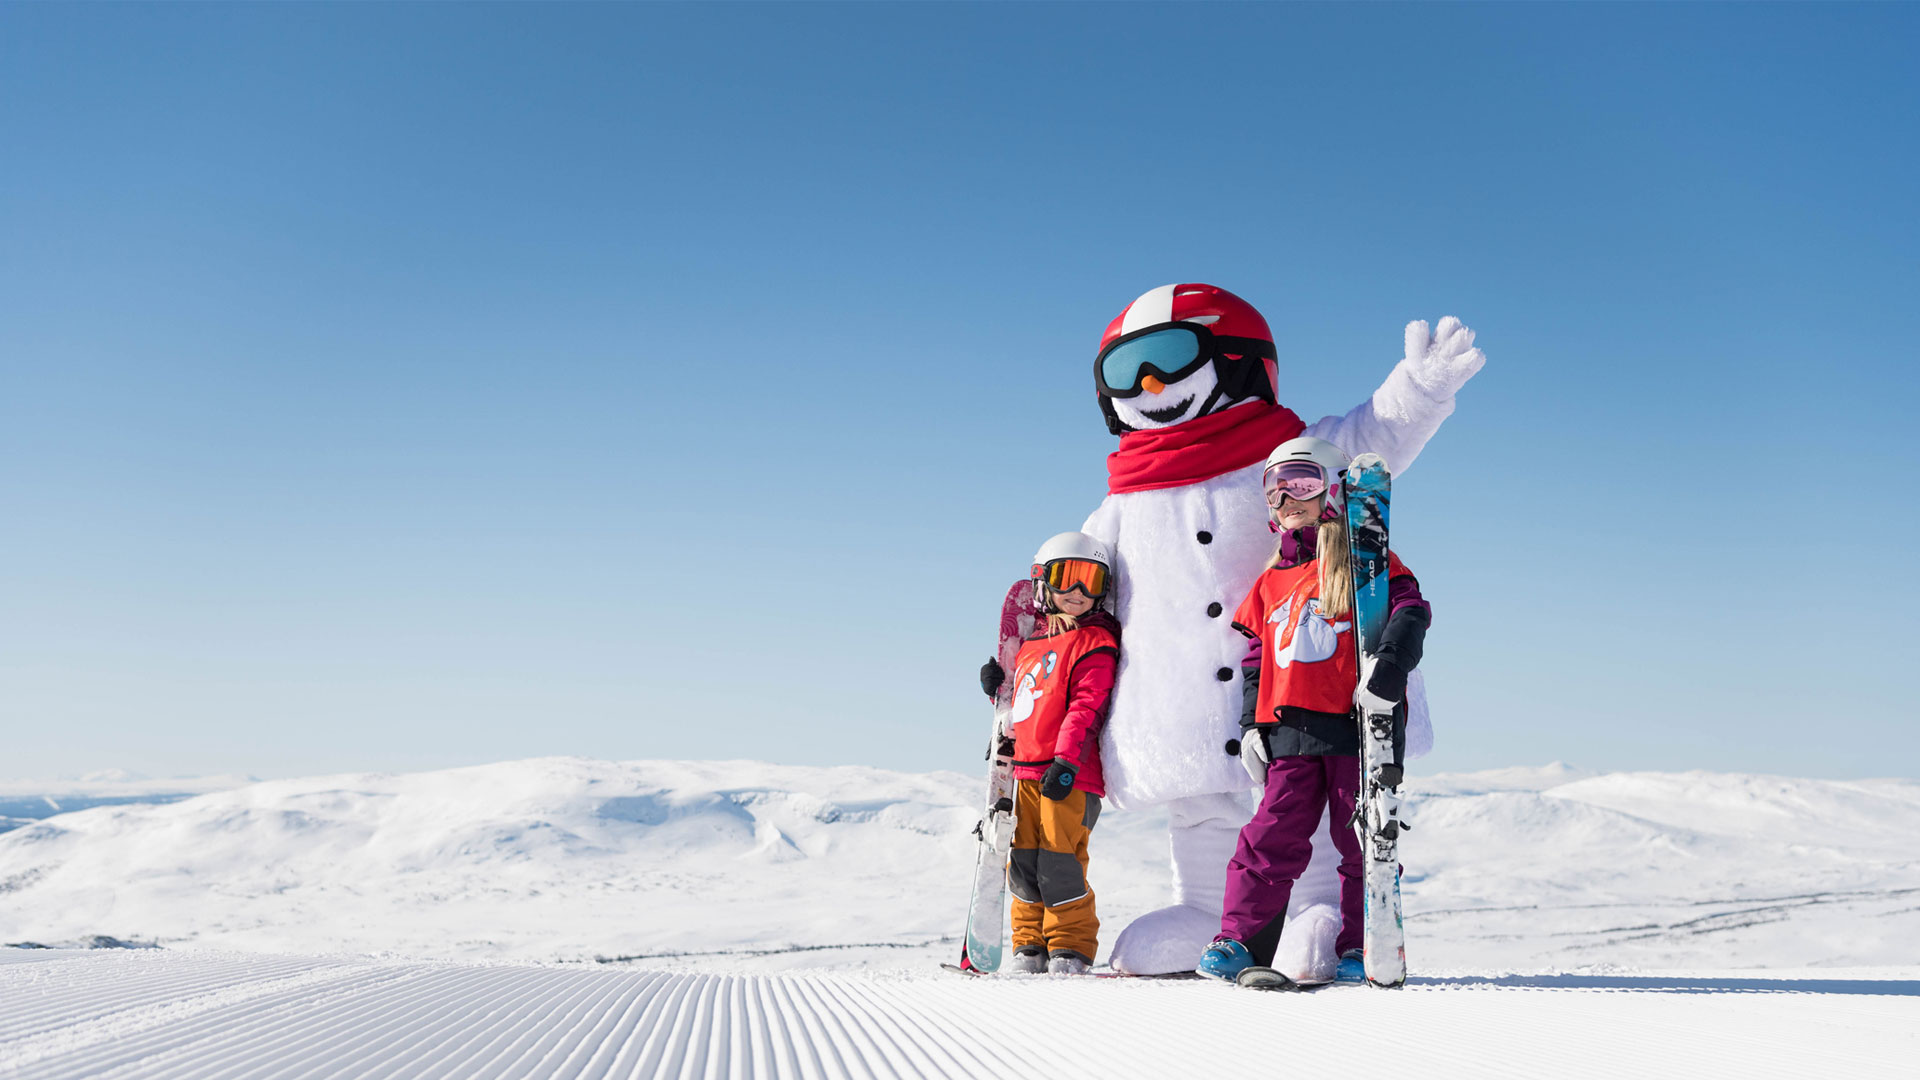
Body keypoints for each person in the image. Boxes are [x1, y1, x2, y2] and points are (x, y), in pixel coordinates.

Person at [1196, 437, 1431, 984]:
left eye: (1300, 481)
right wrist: (1252, 726)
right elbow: (1255, 658)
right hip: (1289, 731)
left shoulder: (1367, 563)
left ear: (1332, 485)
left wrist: (1389, 671)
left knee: (1364, 842)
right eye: (1274, 489)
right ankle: (1238, 942)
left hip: (1356, 725)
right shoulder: (1271, 579)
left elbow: (1411, 613)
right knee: (1268, 839)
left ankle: (1362, 948)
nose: (1286, 497)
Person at [979, 531, 1121, 974]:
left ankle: (1070, 947)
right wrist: (997, 693)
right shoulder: (1032, 646)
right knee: (1022, 862)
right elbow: (1026, 705)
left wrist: (1066, 759)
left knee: (1061, 861)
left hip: (1069, 772)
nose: (1078, 592)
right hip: (1024, 771)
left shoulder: (1095, 642)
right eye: (1067, 578)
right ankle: (1029, 945)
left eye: (1091, 581)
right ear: (1042, 583)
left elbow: (1086, 706)